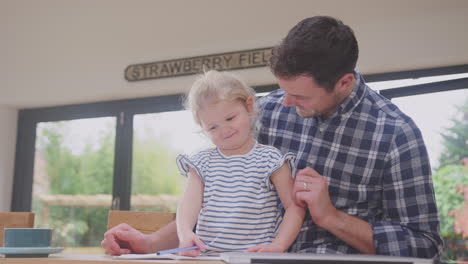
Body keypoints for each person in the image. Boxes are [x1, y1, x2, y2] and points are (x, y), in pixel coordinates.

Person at [101, 15, 442, 258]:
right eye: (283, 91)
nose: (285, 104)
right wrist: (149, 243)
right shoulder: (268, 111)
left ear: (344, 83)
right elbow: (219, 200)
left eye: (302, 97)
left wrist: (331, 217)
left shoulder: (396, 134)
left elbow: (424, 244)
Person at [174, 70, 305, 256]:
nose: (224, 129)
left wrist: (279, 245)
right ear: (202, 128)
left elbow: (294, 207)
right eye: (212, 127)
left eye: (230, 118)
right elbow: (188, 204)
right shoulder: (201, 163)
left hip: (256, 257)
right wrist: (185, 233)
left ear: (249, 107)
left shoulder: (270, 159)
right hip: (208, 258)